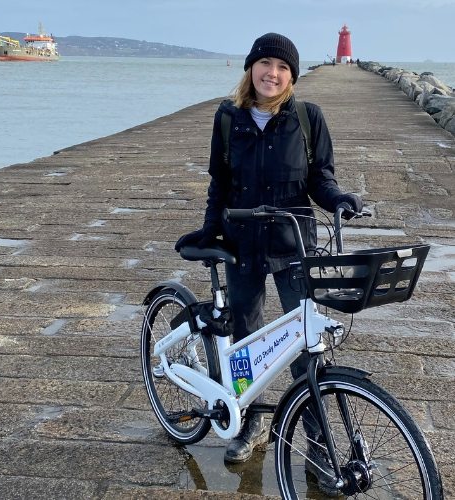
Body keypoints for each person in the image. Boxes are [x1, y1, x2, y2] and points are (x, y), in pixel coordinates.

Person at [175, 33, 362, 496]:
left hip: (292, 242)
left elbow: (321, 178)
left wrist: (339, 199)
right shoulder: (227, 118)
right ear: (251, 69)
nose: (272, 73)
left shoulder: (306, 116)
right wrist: (210, 229)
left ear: (291, 76)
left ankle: (317, 441)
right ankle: (250, 426)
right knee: (246, 339)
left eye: (281, 66)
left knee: (305, 341)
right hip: (241, 244)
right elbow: (219, 181)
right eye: (264, 64)